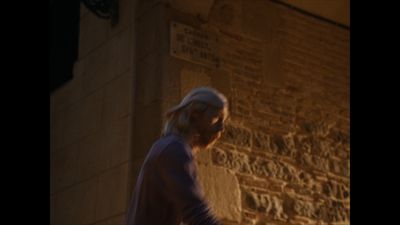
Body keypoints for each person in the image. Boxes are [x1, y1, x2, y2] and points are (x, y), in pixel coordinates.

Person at [126, 87, 229, 225]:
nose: (221, 128)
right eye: (217, 118)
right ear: (195, 114)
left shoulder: (170, 146)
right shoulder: (175, 149)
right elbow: (197, 215)